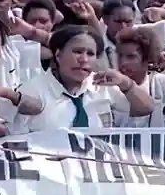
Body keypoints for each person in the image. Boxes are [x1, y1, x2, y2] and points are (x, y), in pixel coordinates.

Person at [13, 25, 155, 132]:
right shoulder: (31, 90)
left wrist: (126, 84)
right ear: (58, 54)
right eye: (78, 52)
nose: (84, 59)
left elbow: (146, 108)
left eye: (91, 54)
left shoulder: (102, 84)